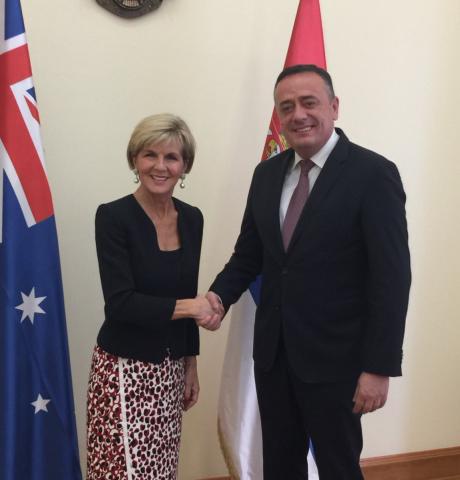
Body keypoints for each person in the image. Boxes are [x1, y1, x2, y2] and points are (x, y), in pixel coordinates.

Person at [203, 65, 411, 479]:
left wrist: (379, 366)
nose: (298, 114)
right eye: (287, 106)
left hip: (339, 363)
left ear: (334, 107)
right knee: (280, 466)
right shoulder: (266, 175)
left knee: (337, 467)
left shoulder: (373, 174)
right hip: (274, 357)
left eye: (309, 102)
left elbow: (392, 277)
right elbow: (248, 255)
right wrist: (217, 297)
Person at [86, 113, 217, 480]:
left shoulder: (193, 219)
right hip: (122, 372)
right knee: (118, 471)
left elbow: (187, 290)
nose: (160, 166)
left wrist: (191, 364)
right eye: (150, 155)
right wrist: (191, 308)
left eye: (171, 157)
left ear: (184, 166)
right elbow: (121, 303)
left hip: (172, 371)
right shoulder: (113, 217)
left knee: (159, 469)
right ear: (134, 160)